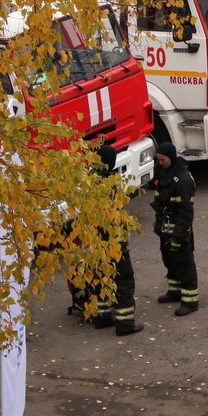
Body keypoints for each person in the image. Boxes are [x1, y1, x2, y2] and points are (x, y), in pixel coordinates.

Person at [74, 143, 143, 335]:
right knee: (124, 281)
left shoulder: (88, 182)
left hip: (95, 244)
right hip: (114, 245)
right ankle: (125, 324)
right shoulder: (110, 185)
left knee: (99, 279)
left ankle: (102, 317)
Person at [150, 141, 199, 316]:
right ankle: (175, 291)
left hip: (179, 232)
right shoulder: (164, 173)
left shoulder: (183, 180)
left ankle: (190, 301)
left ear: (170, 158)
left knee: (185, 264)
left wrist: (178, 237)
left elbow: (186, 213)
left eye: (162, 160)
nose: (160, 163)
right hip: (165, 229)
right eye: (158, 160)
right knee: (170, 261)